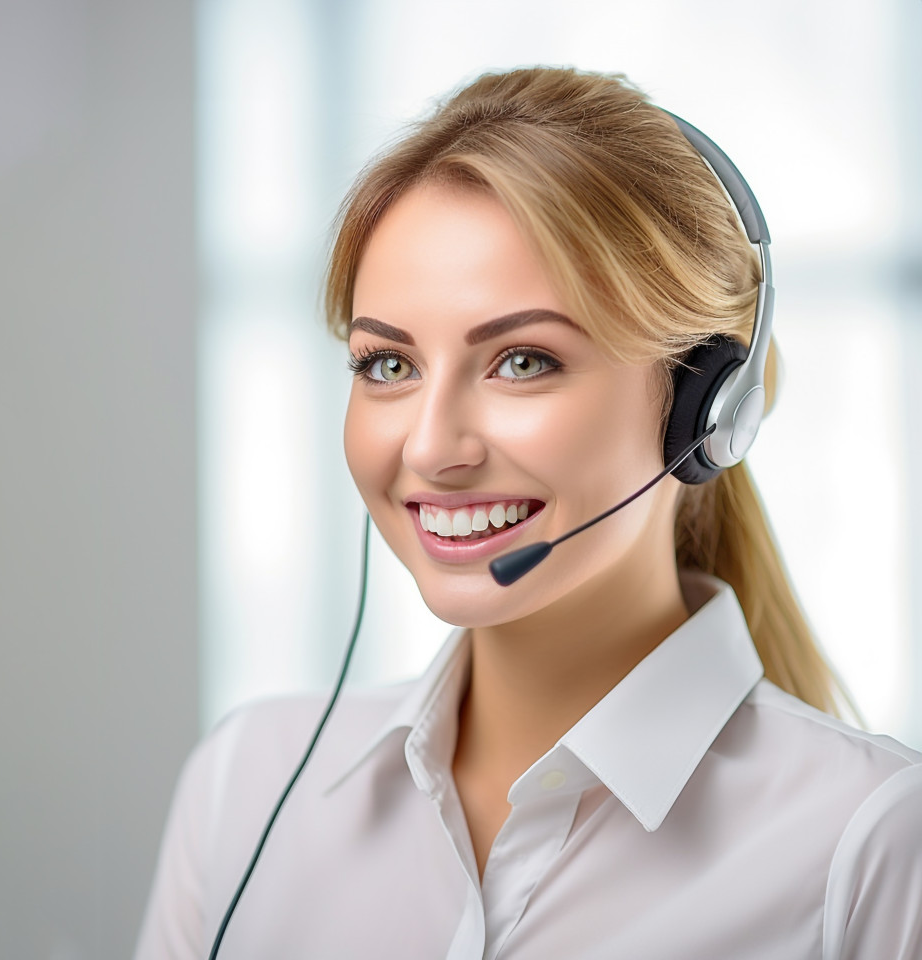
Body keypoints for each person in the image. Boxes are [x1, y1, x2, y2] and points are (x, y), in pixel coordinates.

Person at [135, 67, 922, 959]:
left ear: (707, 406)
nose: (431, 449)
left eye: (522, 361)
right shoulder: (247, 785)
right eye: (387, 366)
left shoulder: (872, 848)